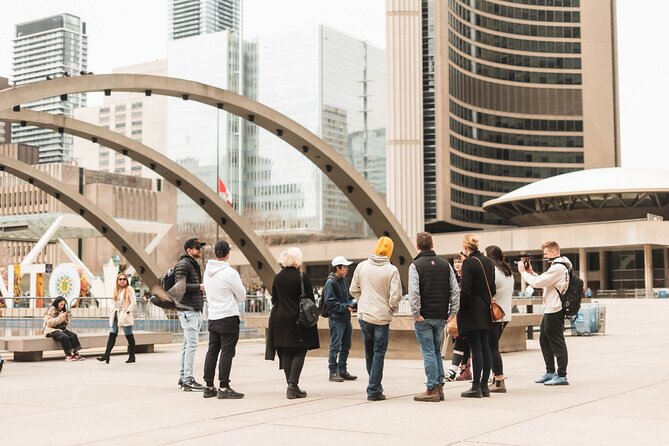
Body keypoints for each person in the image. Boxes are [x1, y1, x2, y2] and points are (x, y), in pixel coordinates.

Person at [349, 236, 402, 401]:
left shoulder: (362, 266)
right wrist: (391, 308)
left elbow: (353, 289)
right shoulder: (391, 270)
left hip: (364, 316)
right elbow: (395, 296)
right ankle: (373, 389)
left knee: (369, 352)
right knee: (379, 353)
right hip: (382, 317)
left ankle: (374, 387)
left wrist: (362, 300)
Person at [409, 232, 460, 402]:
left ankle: (431, 388)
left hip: (424, 317)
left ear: (417, 246)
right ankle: (439, 387)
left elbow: (414, 292)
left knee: (429, 352)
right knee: (437, 352)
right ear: (432, 245)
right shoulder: (445, 265)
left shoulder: (415, 265)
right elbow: (454, 290)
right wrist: (452, 313)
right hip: (441, 316)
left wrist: (416, 314)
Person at [265, 247, 320, 399]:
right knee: (300, 349)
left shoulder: (277, 277)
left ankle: (291, 385)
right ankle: (293, 385)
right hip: (298, 318)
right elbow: (310, 300)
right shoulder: (303, 277)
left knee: (286, 351)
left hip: (279, 318)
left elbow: (274, 299)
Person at [518, 241, 570, 386]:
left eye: (546, 253)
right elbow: (543, 281)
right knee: (544, 340)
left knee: (557, 342)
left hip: (555, 309)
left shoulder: (558, 268)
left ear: (554, 252)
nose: (545, 256)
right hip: (551, 308)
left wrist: (523, 272)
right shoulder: (558, 267)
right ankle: (550, 371)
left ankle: (561, 375)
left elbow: (538, 283)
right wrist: (531, 273)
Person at [202, 240, 247, 399]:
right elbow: (242, 296)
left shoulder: (207, 272)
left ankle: (208, 386)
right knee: (227, 352)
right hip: (228, 317)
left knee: (212, 351)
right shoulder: (230, 273)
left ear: (215, 253)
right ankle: (223, 387)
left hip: (213, 317)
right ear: (228, 254)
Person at [458, 234, 496, 398]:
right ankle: (484, 386)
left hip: (472, 309)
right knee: (485, 347)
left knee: (476, 348)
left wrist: (459, 308)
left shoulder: (468, 263)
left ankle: (475, 386)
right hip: (485, 309)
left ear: (466, 248)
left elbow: (465, 290)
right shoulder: (488, 262)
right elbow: (493, 288)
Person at [176, 237, 207, 391]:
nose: (199, 250)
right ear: (189, 250)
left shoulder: (193, 264)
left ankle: (183, 377)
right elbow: (180, 286)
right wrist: (200, 286)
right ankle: (188, 378)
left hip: (192, 309)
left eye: (200, 247)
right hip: (188, 310)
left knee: (187, 344)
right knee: (192, 345)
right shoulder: (184, 264)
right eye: (197, 248)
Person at [323, 255, 358, 383]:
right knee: (335, 346)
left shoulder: (343, 280)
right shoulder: (330, 282)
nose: (346, 269)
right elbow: (330, 302)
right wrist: (345, 306)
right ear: (337, 268)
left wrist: (352, 303)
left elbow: (346, 296)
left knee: (346, 345)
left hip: (345, 318)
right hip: (337, 319)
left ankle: (342, 370)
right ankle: (333, 372)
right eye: (344, 267)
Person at [485, 245, 514, 393]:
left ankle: (499, 380)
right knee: (493, 347)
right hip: (505, 315)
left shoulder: (494, 271)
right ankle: (495, 378)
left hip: (495, 315)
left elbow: (489, 291)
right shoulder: (508, 272)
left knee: (492, 348)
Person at [97, 273, 137, 364]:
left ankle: (132, 356)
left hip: (124, 315)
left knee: (129, 335)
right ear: (117, 281)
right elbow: (114, 303)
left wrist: (127, 312)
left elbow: (133, 302)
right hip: (116, 315)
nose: (122, 280)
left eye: (124, 279)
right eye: (120, 279)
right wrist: (112, 311)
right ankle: (106, 355)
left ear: (127, 280)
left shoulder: (129, 289)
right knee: (112, 333)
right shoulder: (116, 290)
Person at [444, 253, 472, 382]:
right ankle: (465, 370)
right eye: (455, 262)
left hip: (465, 315)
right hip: (456, 315)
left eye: (459, 262)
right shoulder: (454, 278)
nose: (457, 264)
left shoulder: (467, 278)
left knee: (462, 340)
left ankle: (453, 370)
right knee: (464, 343)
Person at [43, 296, 84, 361]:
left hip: (61, 329)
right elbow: (49, 323)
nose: (62, 306)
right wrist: (61, 317)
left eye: (63, 304)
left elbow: (65, 324)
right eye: (61, 304)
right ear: (57, 303)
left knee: (73, 335)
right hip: (51, 330)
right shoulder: (50, 311)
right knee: (64, 337)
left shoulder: (62, 310)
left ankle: (75, 353)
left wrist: (66, 318)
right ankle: (68, 355)